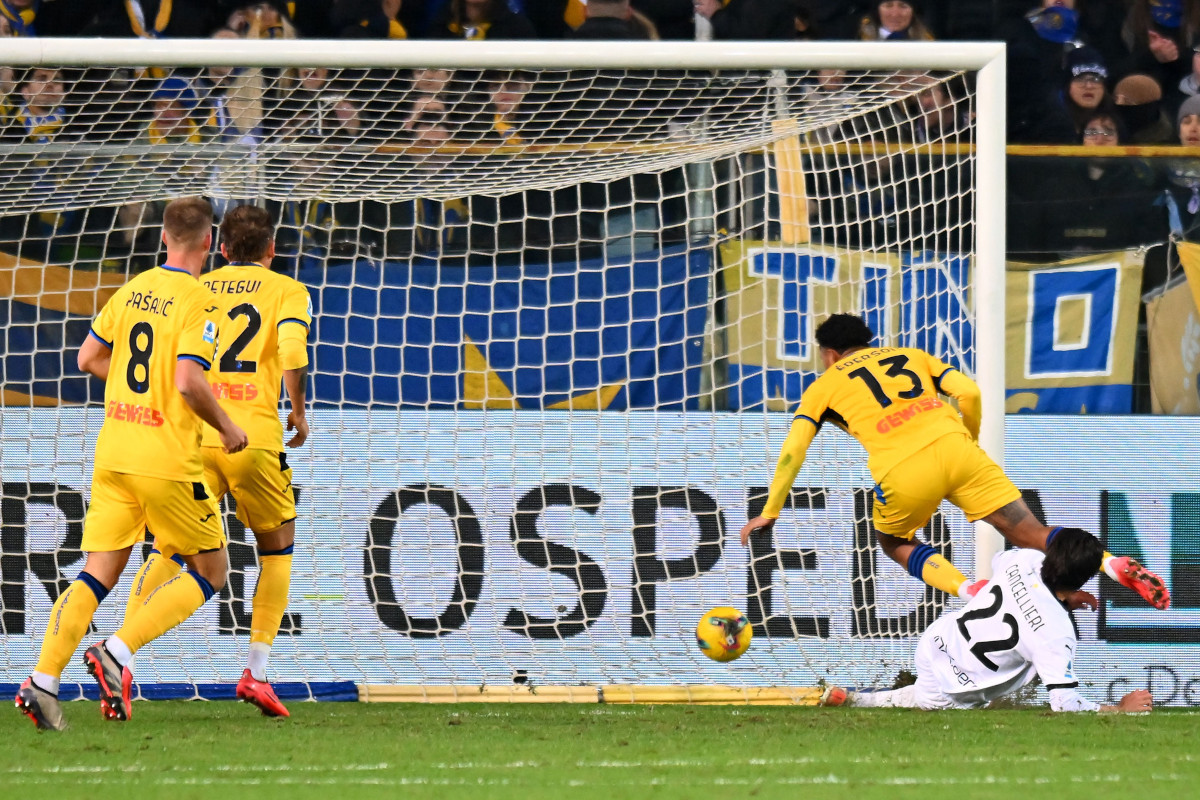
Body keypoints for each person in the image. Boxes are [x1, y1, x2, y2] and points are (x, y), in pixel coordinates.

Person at [738, 313, 1170, 611]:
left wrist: (771, 510)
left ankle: (971, 589)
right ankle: (1112, 563)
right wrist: (969, 442)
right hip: (959, 448)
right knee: (1028, 532)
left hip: (903, 468)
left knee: (892, 540)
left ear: (829, 353)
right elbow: (971, 394)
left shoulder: (825, 384)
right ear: (866, 342)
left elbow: (795, 447)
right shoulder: (911, 356)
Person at [14, 197, 248, 732]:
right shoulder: (199, 302)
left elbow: (88, 359)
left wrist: (135, 395)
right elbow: (189, 381)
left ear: (164, 237)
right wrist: (228, 427)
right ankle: (118, 650)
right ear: (209, 241)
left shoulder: (133, 287)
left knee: (97, 573)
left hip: (115, 452)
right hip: (165, 460)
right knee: (212, 570)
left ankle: (44, 681)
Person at [122, 204, 312, 717]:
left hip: (194, 437)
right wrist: (296, 409)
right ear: (272, 250)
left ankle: (122, 652)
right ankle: (256, 671)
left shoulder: (198, 290)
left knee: (169, 547)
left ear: (221, 249)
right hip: (251, 439)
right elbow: (292, 353)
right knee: (276, 549)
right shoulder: (287, 290)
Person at [822, 530, 1156, 713]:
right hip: (955, 686)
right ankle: (859, 700)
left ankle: (851, 698)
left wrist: (1062, 594)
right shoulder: (1057, 635)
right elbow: (1064, 704)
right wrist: (1119, 708)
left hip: (935, 641)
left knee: (923, 691)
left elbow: (1008, 569)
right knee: (924, 702)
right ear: (1082, 580)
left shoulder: (1023, 558)